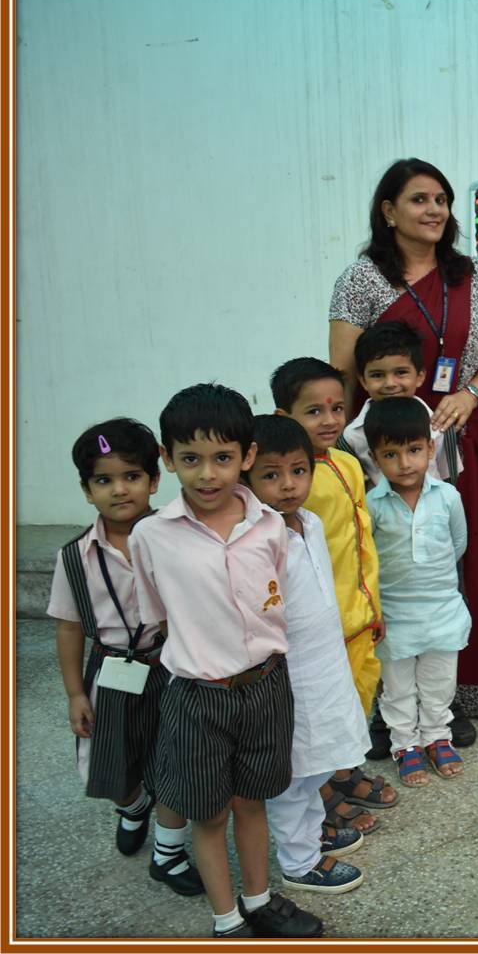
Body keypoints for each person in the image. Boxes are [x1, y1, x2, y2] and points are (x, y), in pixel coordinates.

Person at [129, 383, 321, 938]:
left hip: (265, 684)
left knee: (252, 799)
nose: (207, 474)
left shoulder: (268, 525)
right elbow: (157, 612)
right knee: (209, 813)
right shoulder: (151, 536)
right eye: (190, 459)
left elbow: (273, 599)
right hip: (197, 695)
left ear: (247, 457)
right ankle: (226, 919)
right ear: (167, 459)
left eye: (223, 458)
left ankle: (259, 901)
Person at [328, 158, 478, 723]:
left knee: (451, 559)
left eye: (441, 200)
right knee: (386, 555)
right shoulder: (362, 281)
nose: (435, 211)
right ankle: (386, 702)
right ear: (388, 211)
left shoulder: (474, 277)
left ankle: (454, 694)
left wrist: (468, 396)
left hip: (454, 438)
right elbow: (340, 375)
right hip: (383, 447)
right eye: (419, 200)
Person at [48, 418, 202, 895]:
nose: (119, 489)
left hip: (175, 666)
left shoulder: (179, 536)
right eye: (103, 480)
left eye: (132, 476)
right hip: (112, 670)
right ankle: (133, 806)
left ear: (155, 480)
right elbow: (69, 626)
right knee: (109, 764)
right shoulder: (75, 556)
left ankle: (169, 852)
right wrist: (75, 692)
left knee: (176, 764)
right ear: (86, 489)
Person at [271, 357, 400, 831]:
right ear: (285, 418)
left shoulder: (347, 464)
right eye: (314, 411)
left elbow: (364, 542)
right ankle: (319, 792)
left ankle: (343, 771)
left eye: (337, 408)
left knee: (355, 698)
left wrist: (374, 607)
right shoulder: (290, 484)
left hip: (360, 615)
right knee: (318, 712)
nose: (329, 420)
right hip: (320, 625)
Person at [244, 415, 369, 895]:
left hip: (324, 666)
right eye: (271, 475)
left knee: (317, 763)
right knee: (294, 772)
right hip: (288, 675)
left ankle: (311, 836)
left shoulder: (311, 522)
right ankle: (299, 863)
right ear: (248, 478)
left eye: (298, 471)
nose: (288, 485)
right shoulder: (258, 537)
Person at [364, 398, 473, 786]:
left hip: (441, 610)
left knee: (438, 683)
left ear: (431, 449)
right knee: (396, 688)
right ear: (375, 458)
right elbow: (368, 559)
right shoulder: (371, 504)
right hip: (394, 614)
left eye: (414, 450)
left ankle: (437, 737)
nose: (405, 463)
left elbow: (457, 544)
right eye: (391, 454)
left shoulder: (447, 497)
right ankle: (404, 745)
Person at [337, 320, 461, 488]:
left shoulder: (441, 427)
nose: (390, 383)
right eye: (377, 375)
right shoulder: (351, 437)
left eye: (401, 372)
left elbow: (450, 478)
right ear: (363, 381)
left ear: (420, 376)